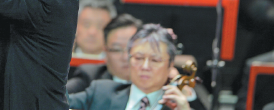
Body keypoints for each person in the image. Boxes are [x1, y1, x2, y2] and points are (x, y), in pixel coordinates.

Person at [69, 24, 200, 110]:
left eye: (155, 60)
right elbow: (56, 102)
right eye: (138, 58)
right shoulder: (101, 92)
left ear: (170, 65)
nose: (145, 66)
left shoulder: (178, 106)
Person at [68, 14, 142, 93]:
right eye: (117, 49)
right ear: (105, 51)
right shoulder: (91, 77)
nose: (126, 57)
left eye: (131, 48)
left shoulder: (154, 81)